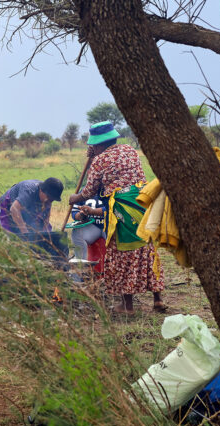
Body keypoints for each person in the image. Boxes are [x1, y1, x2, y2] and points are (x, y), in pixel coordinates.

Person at [68, 121, 166, 314]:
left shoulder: (100, 160)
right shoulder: (129, 150)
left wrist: (75, 198)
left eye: (94, 145)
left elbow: (89, 191)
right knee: (146, 248)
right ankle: (158, 300)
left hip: (120, 208)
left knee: (121, 253)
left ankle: (127, 306)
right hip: (141, 202)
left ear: (98, 144)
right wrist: (94, 156)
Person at [0, 177, 64, 235]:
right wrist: (25, 234)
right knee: (11, 237)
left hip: (26, 208)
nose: (49, 202)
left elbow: (46, 217)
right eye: (49, 198)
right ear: (41, 190)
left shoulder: (48, 196)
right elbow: (14, 209)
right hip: (8, 206)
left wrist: (45, 236)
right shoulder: (29, 191)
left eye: (52, 200)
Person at [68, 195, 106, 260]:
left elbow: (113, 208)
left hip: (110, 225)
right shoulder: (84, 192)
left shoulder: (110, 190)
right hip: (93, 226)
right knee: (77, 233)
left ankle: (116, 264)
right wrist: (80, 215)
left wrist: (93, 211)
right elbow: (74, 212)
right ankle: (81, 262)